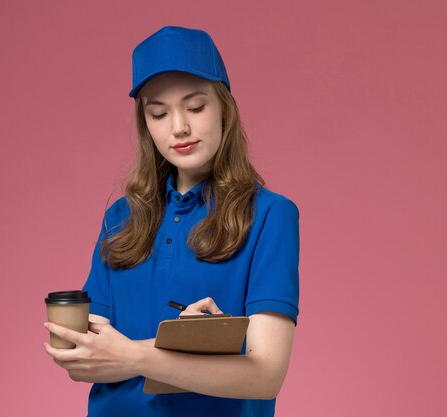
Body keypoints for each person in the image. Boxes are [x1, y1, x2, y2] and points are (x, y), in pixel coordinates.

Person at [43, 25, 300, 417]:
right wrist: (186, 347)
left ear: (224, 108)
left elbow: (266, 375)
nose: (178, 127)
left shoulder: (270, 215)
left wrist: (135, 356)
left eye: (195, 107)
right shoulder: (120, 218)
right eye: (158, 113)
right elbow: (86, 358)